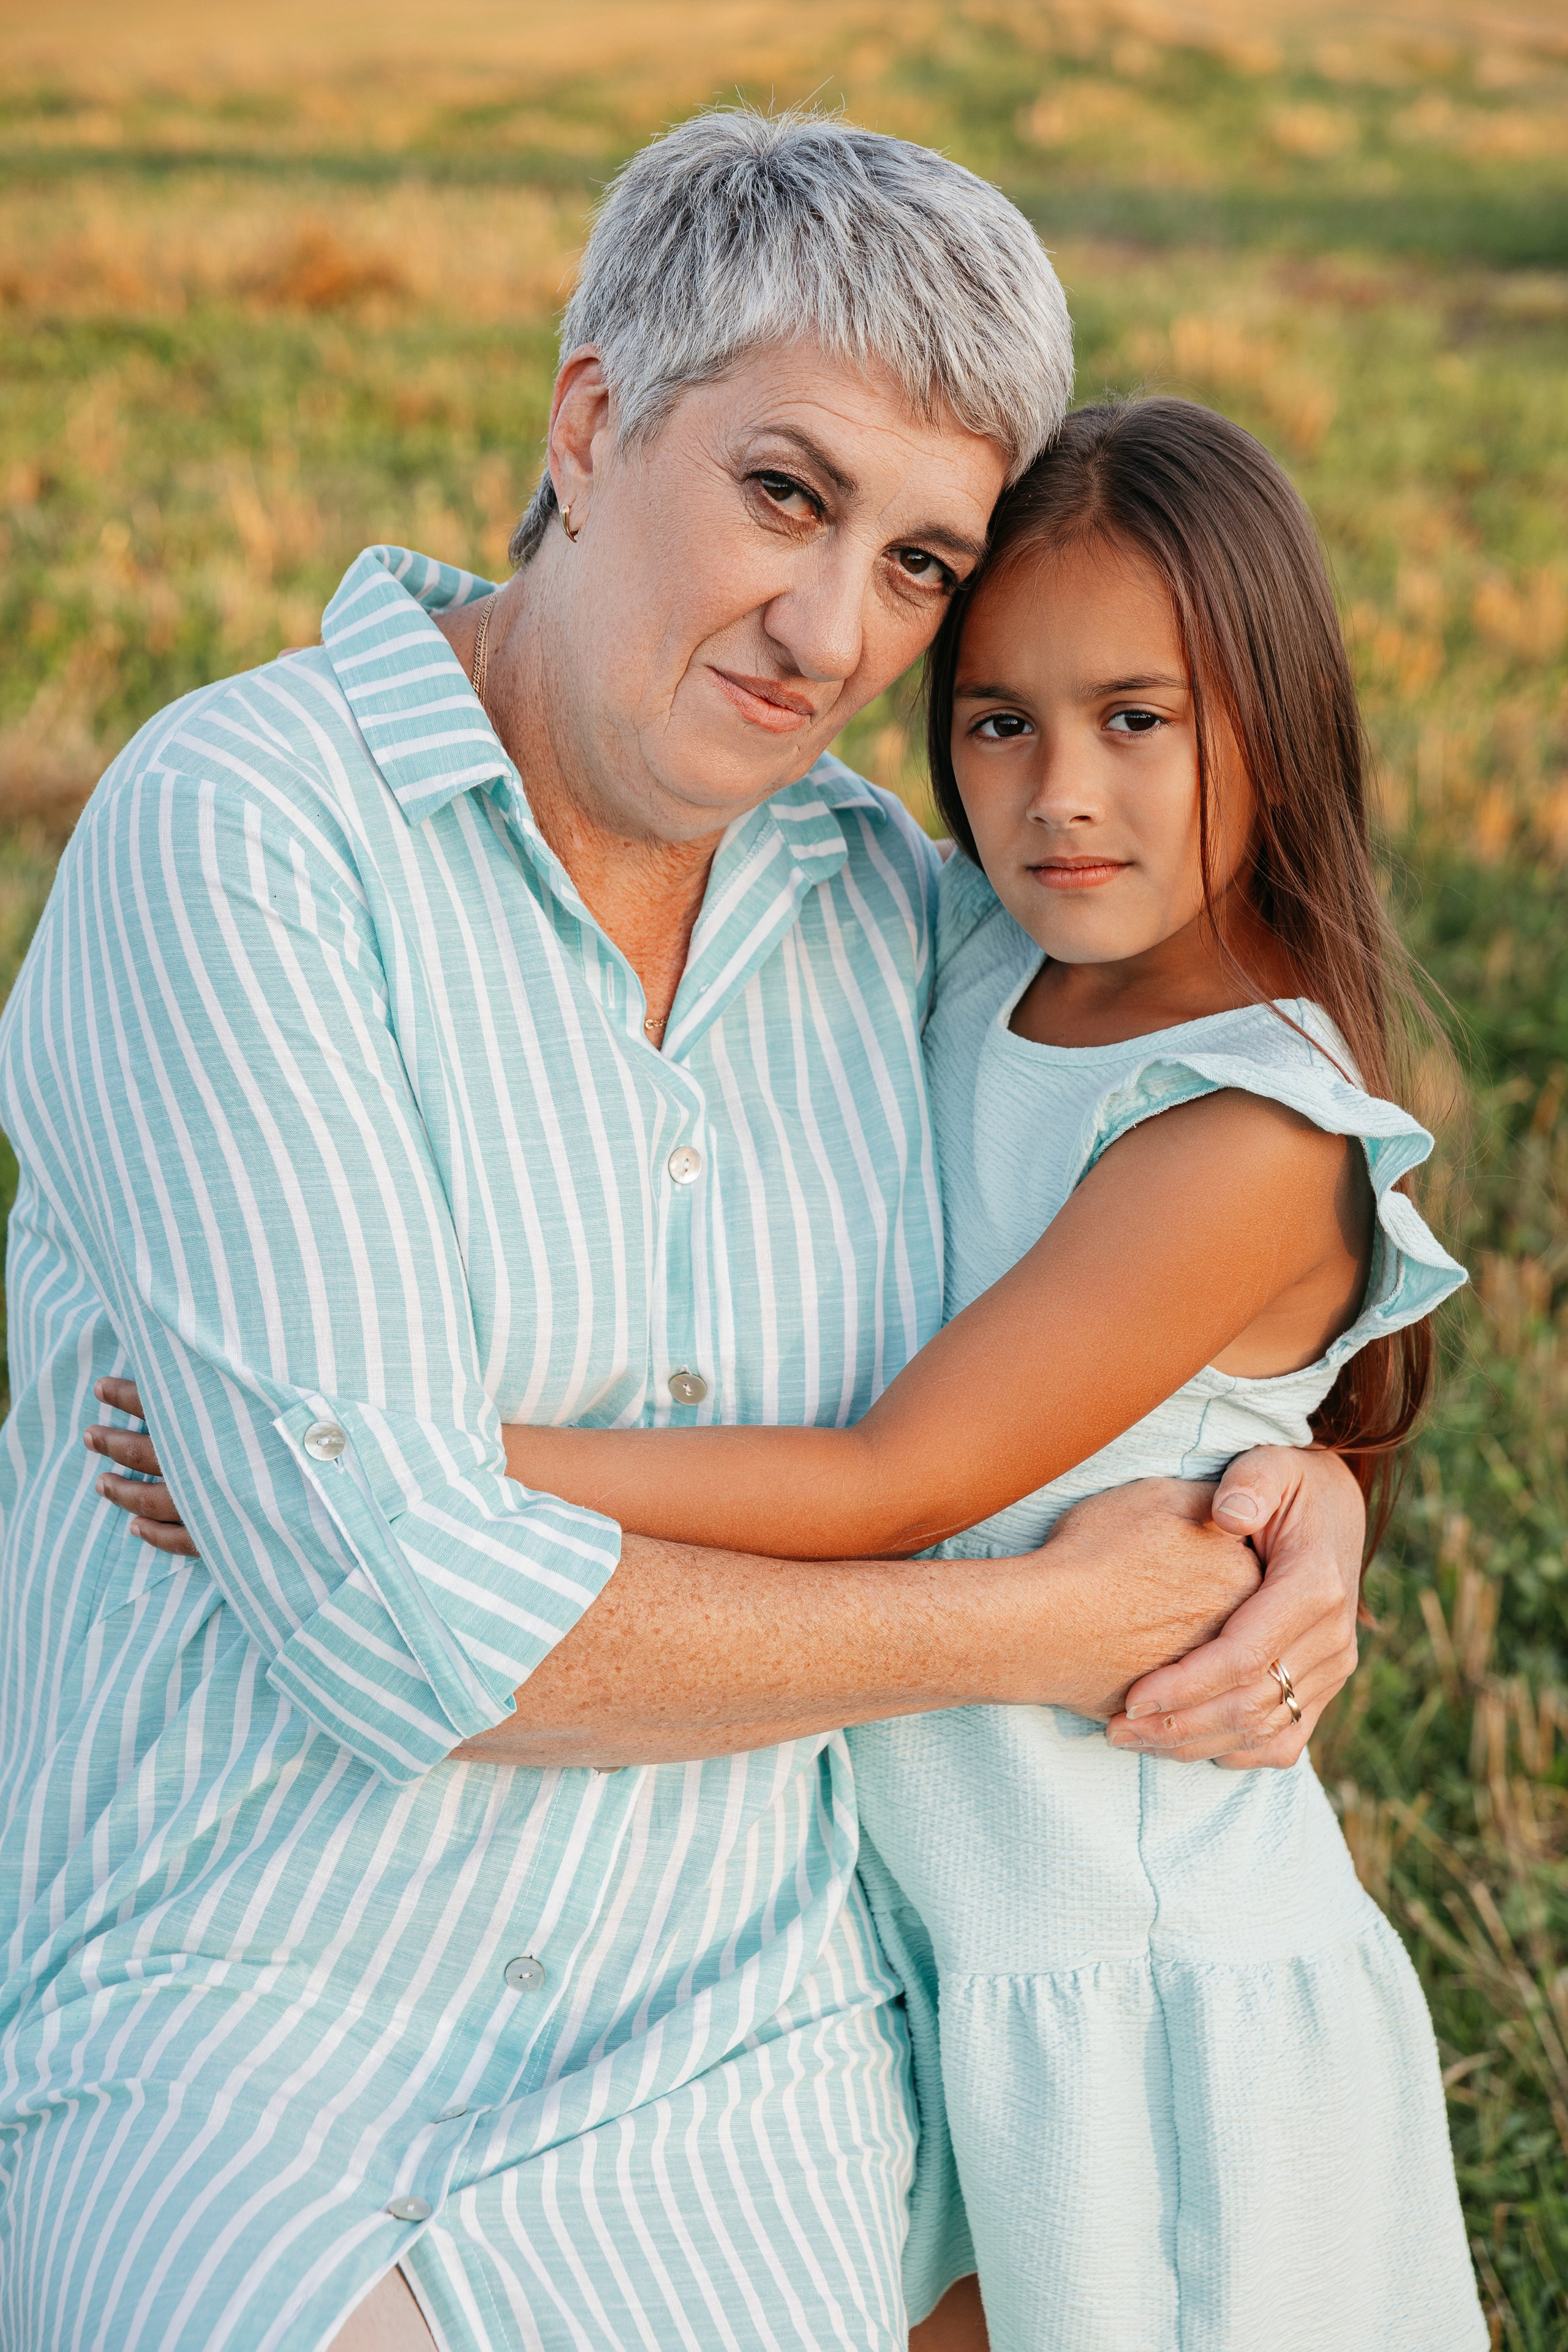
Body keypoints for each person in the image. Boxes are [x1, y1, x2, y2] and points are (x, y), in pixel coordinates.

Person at [6, 113, 1364, 2352]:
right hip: (241, 2004)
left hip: (748, 2022)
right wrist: (1037, 1625)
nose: (835, 635)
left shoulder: (906, 923)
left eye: (923, 566)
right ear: (592, 415)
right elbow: (407, 1626)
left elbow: (1165, 1208)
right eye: (785, 493)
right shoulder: (240, 837)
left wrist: (1285, 1494)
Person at [313, 398, 1480, 2348]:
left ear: (1275, 714)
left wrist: (399, 1452)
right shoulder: (962, 957)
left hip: (1130, 1983)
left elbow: (894, 1481)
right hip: (905, 1944)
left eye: (1139, 717)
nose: (1058, 796)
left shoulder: (1242, 1131)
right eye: (998, 720)